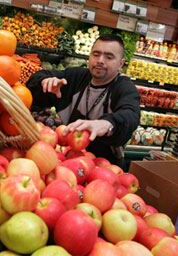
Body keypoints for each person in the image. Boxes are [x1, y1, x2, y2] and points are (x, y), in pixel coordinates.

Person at [26, 34, 140, 169]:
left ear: (121, 64)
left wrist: (106, 124)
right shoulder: (75, 77)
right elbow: (36, 79)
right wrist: (44, 82)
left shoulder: (124, 88)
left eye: (109, 57)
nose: (100, 61)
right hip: (67, 161)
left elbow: (131, 115)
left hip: (103, 169)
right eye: (96, 55)